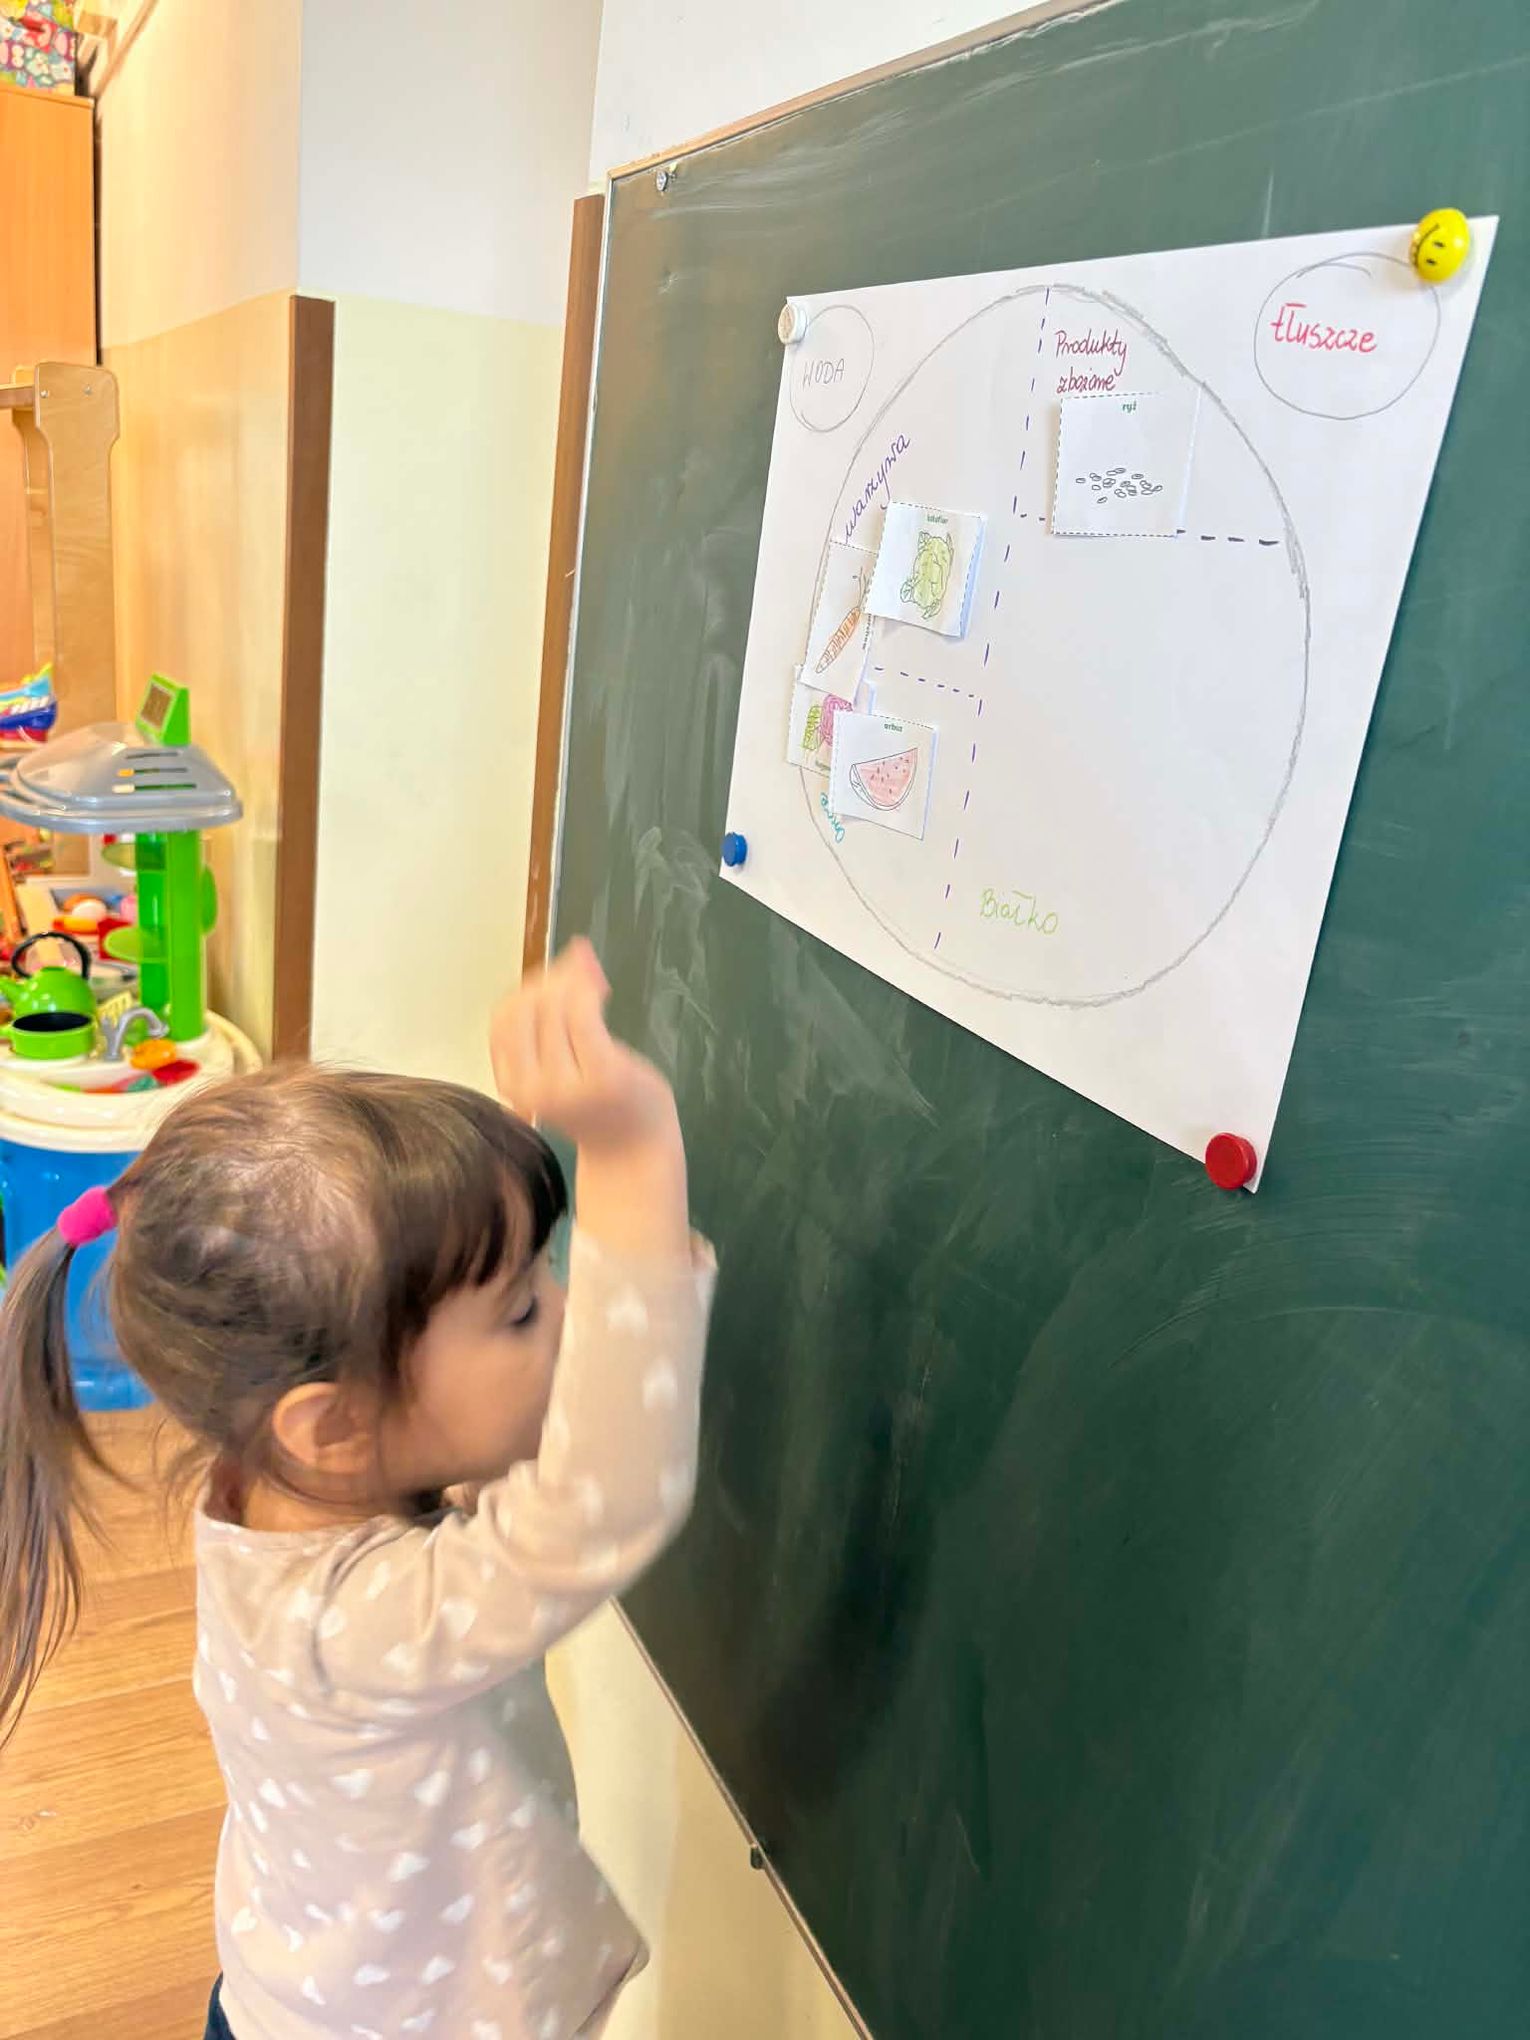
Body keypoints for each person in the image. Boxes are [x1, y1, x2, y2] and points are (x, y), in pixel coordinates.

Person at [0, 940, 714, 2039]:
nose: (569, 1312)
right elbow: (599, 1502)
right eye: (524, 1309)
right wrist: (631, 1150)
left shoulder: (276, 1496)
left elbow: (511, 1472)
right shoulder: (352, 1623)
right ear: (333, 1427)